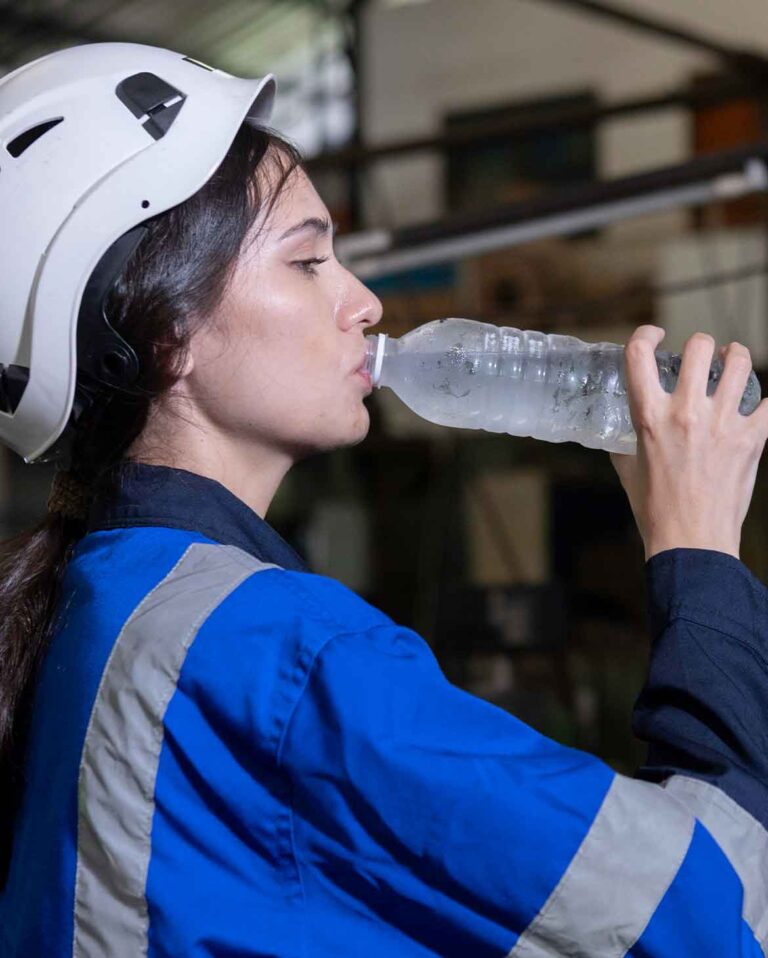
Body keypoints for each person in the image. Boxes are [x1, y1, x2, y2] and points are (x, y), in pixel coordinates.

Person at [0, 41, 767, 958]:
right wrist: (702, 554)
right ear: (169, 335)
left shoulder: (102, 602)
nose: (362, 301)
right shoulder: (277, 656)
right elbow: (711, 907)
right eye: (307, 262)